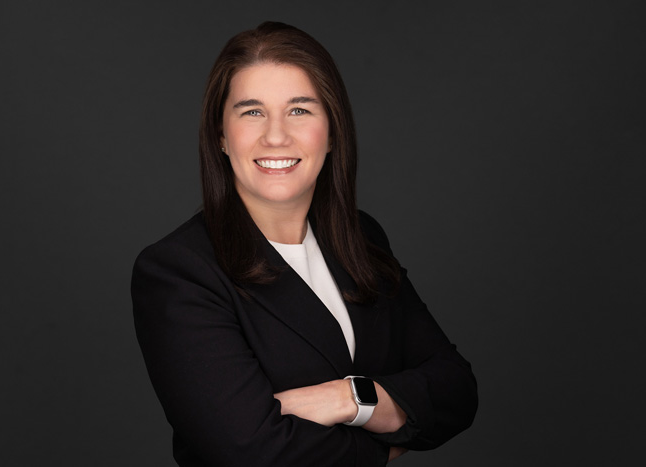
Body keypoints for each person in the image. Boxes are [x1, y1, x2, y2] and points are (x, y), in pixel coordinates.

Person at [131, 21, 477, 466]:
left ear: (332, 133)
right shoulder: (179, 271)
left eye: (300, 110)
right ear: (220, 135)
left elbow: (455, 390)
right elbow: (252, 452)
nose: (276, 136)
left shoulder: (361, 239)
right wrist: (387, 441)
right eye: (251, 111)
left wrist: (349, 399)